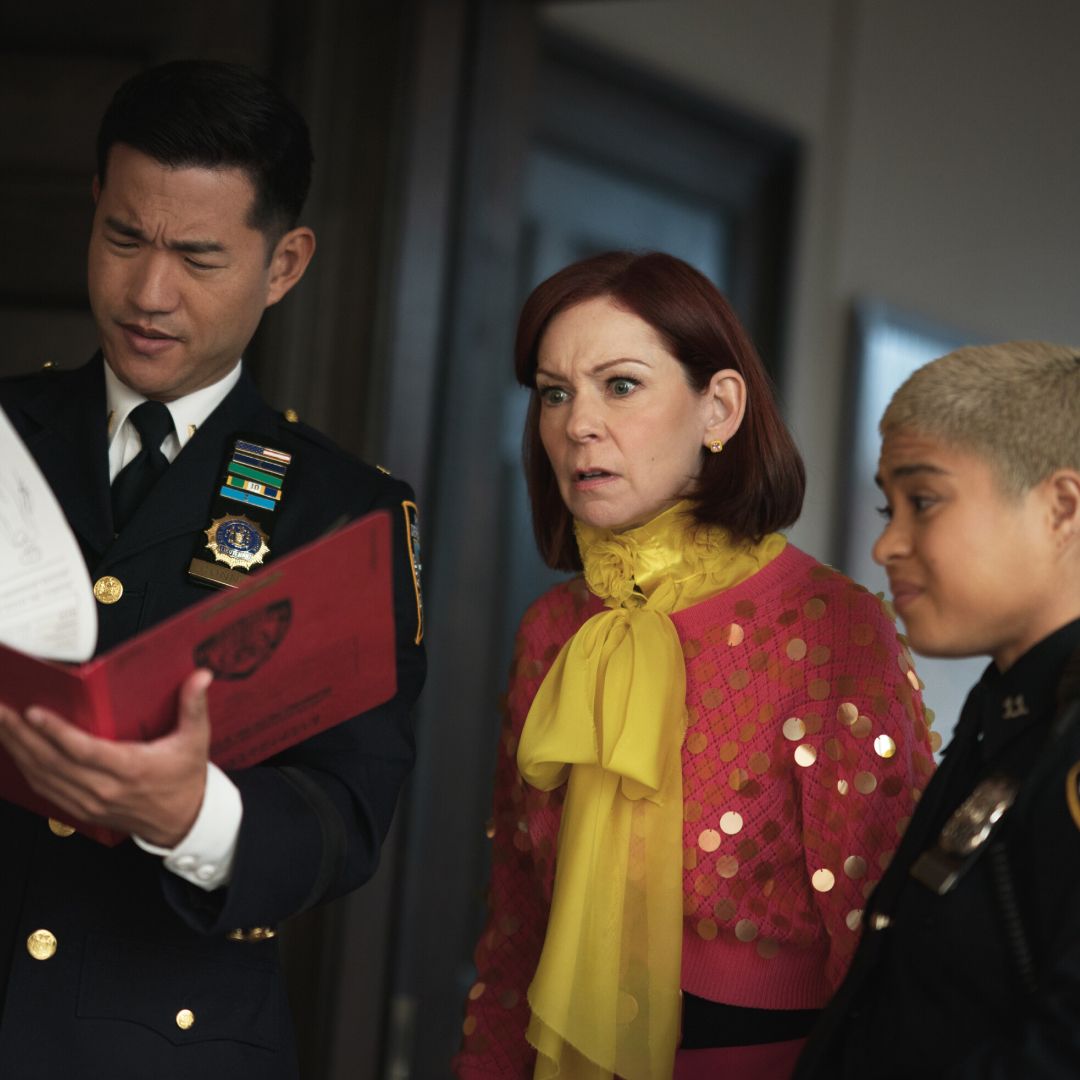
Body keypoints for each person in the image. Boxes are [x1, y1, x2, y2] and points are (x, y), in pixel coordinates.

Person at [0, 60, 425, 1079]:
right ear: (93, 207)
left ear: (283, 265)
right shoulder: (5, 429)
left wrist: (192, 815)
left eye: (198, 257)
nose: (149, 293)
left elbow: (347, 818)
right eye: (123, 238)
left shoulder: (345, 512)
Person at [453, 251, 935, 1079]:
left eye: (622, 385)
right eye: (555, 392)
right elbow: (517, 927)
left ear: (719, 408)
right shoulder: (553, 630)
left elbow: (890, 954)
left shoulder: (832, 630)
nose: (578, 425)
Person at [793, 341, 1080, 1078]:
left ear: (1061, 508)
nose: (887, 543)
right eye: (891, 507)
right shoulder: (1013, 712)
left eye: (923, 501)